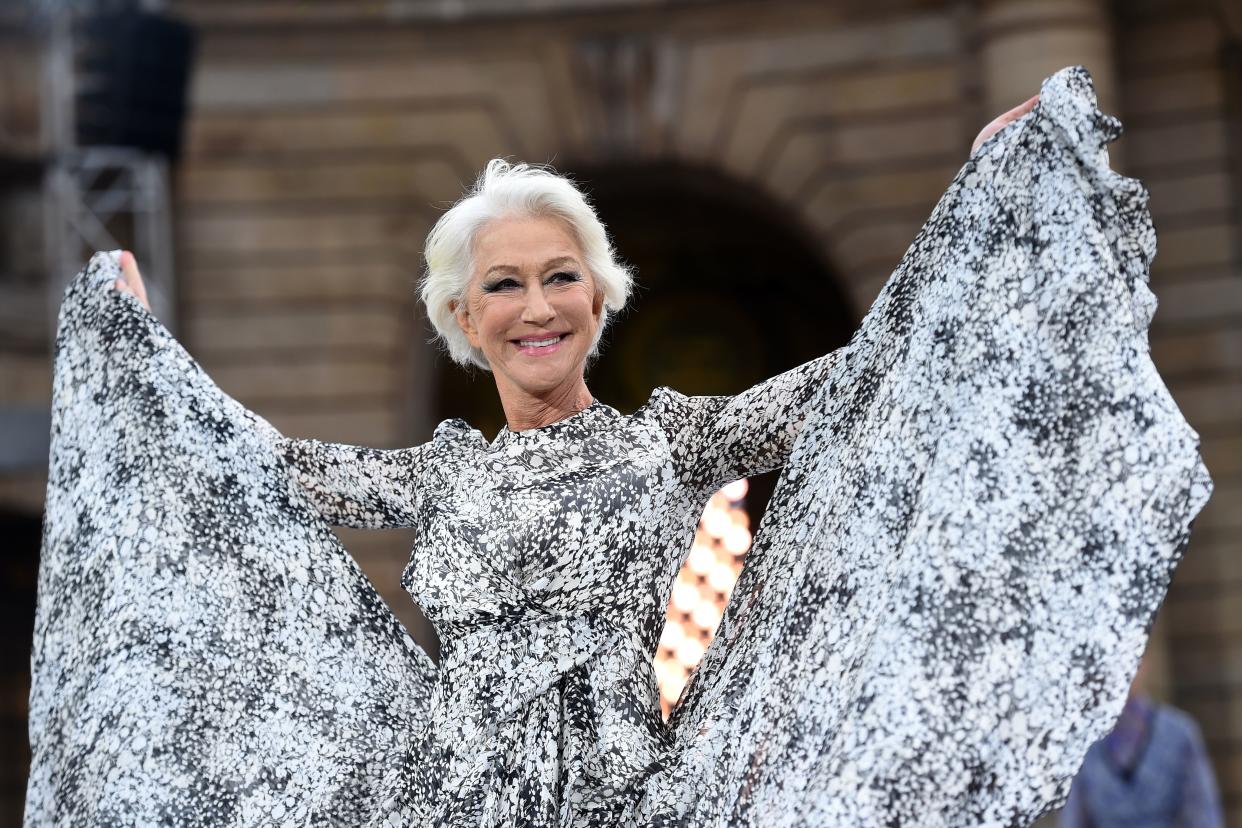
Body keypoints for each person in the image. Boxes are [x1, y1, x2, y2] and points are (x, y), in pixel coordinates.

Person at [26, 66, 1212, 827]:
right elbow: (254, 470)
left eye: (562, 278)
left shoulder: (669, 442)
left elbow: (873, 372)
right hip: (446, 807)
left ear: (599, 299)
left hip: (640, 804)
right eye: (506, 285)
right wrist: (138, 351)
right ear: (463, 317)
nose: (538, 305)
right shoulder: (438, 474)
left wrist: (980, 203)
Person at [1059, 656, 1225, 827]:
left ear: (1144, 664)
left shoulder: (1179, 733)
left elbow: (1203, 815)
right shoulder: (1084, 741)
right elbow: (1074, 819)